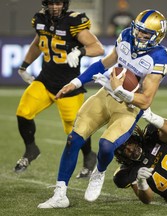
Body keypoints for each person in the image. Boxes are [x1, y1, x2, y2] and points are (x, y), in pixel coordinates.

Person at [37, 9, 167, 208]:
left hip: (130, 106)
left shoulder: (161, 57)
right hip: (105, 95)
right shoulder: (126, 35)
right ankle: (60, 194)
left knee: (106, 145)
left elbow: (145, 101)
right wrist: (75, 83)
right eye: (138, 30)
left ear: (157, 36)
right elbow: (104, 63)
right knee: (72, 140)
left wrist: (121, 91)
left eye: (146, 33)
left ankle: (99, 172)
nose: (139, 35)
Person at [14, 0, 105, 179]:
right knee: (23, 112)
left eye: (59, 3)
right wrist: (24, 66)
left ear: (64, 4)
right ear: (45, 4)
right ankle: (31, 150)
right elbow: (36, 44)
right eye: (51, 3)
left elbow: (98, 48)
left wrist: (79, 52)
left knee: (76, 130)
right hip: (45, 80)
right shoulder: (40, 19)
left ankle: (88, 157)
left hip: (68, 86)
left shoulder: (73, 22)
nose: (55, 7)